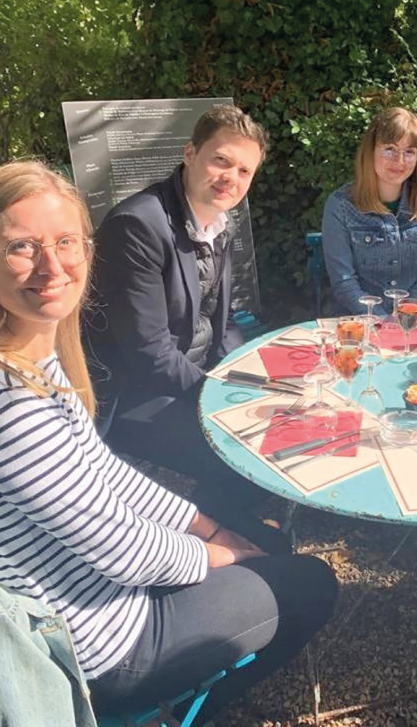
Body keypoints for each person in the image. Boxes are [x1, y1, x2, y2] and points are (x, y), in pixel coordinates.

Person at [0, 161, 337, 717]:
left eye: (65, 242)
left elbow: (107, 475)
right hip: (96, 650)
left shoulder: (17, 361)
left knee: (264, 543)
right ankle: (174, 711)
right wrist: (222, 555)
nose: (52, 265)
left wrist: (216, 531)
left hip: (87, 598)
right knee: (314, 583)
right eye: (21, 247)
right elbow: (123, 552)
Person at [85, 104, 268, 527]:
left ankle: (228, 523)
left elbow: (223, 325)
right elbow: (147, 354)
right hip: (132, 397)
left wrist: (242, 378)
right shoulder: (137, 226)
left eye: (244, 171)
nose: (231, 178)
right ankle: (215, 542)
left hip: (188, 379)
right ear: (190, 154)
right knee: (240, 452)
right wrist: (217, 398)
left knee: (266, 426)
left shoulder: (220, 220)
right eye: (221, 160)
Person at [322, 107, 417, 315]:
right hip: (358, 324)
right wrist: (382, 321)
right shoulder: (340, 205)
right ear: (370, 151)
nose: (399, 161)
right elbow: (344, 282)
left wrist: (405, 316)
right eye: (389, 149)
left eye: (409, 152)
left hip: (412, 320)